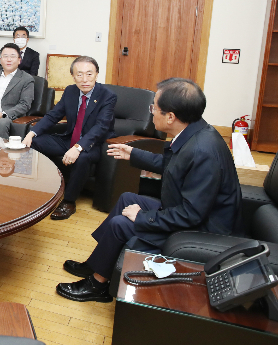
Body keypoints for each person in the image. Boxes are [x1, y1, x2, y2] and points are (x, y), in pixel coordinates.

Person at [56, 78, 242, 303]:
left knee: (121, 223)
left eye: (154, 107)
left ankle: (98, 286)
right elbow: (173, 166)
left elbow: (192, 215)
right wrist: (133, 154)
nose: (151, 112)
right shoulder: (195, 133)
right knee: (126, 199)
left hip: (201, 229)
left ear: (171, 117)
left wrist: (144, 217)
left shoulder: (203, 152)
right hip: (186, 211)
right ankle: (96, 264)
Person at [22, 56, 116, 220]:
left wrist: (78, 147)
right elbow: (53, 116)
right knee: (35, 143)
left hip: (93, 144)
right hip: (69, 138)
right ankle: (42, 188)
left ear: (97, 74)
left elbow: (101, 127)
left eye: (89, 74)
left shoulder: (107, 95)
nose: (84, 79)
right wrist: (31, 133)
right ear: (73, 76)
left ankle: (69, 201)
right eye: (79, 74)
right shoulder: (71, 91)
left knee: (82, 158)